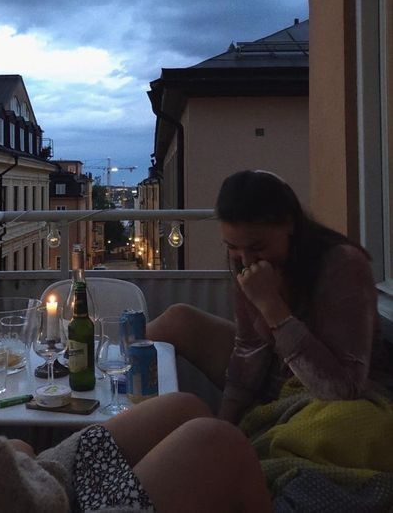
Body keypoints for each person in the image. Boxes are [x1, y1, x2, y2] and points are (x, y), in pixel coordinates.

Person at [0, 126, 271, 512]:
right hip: (46, 497)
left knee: (185, 407)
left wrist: (5, 457)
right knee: (219, 444)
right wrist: (12, 459)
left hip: (21, 481)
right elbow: (37, 501)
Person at [148, 169, 392, 424]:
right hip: (275, 376)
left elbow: (342, 390)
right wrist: (226, 425)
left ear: (290, 225)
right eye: (232, 247)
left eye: (258, 247)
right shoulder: (248, 265)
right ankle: (107, 370)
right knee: (179, 320)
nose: (247, 260)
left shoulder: (342, 265)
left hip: (341, 402)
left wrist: (273, 308)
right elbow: (248, 351)